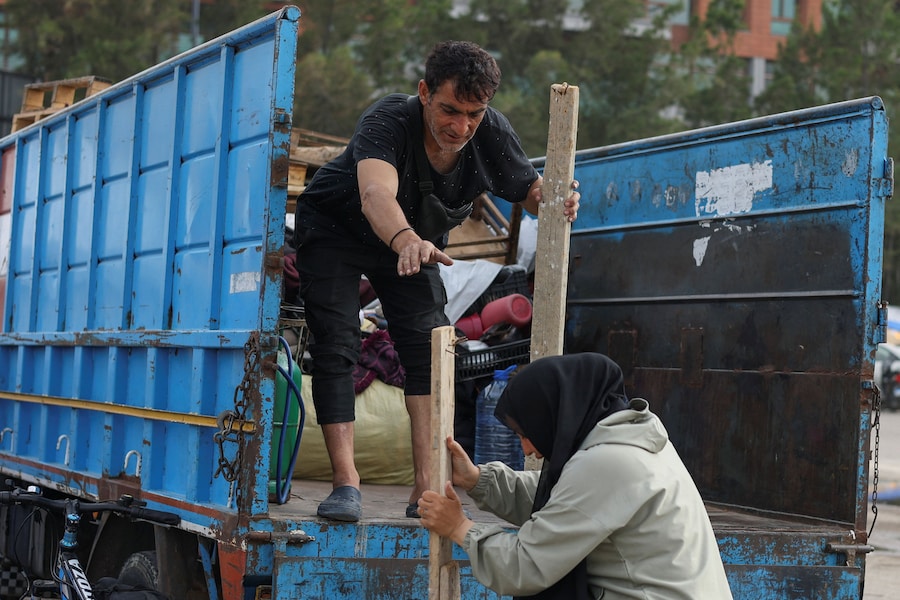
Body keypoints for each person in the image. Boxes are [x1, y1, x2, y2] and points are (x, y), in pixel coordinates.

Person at [293, 40, 580, 522]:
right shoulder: (388, 121)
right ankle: (346, 484)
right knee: (336, 343)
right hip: (337, 230)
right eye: (449, 110)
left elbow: (528, 190)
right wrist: (405, 238)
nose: (460, 126)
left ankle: (424, 484)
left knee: (430, 349)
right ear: (424, 92)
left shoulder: (489, 133)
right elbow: (374, 193)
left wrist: (554, 197)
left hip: (416, 242)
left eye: (473, 113)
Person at [417, 353, 734, 599]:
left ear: (555, 416)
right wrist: (477, 479)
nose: (528, 449)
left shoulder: (608, 463)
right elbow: (567, 502)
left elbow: (526, 566)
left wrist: (460, 528)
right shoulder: (629, 439)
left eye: (525, 433)